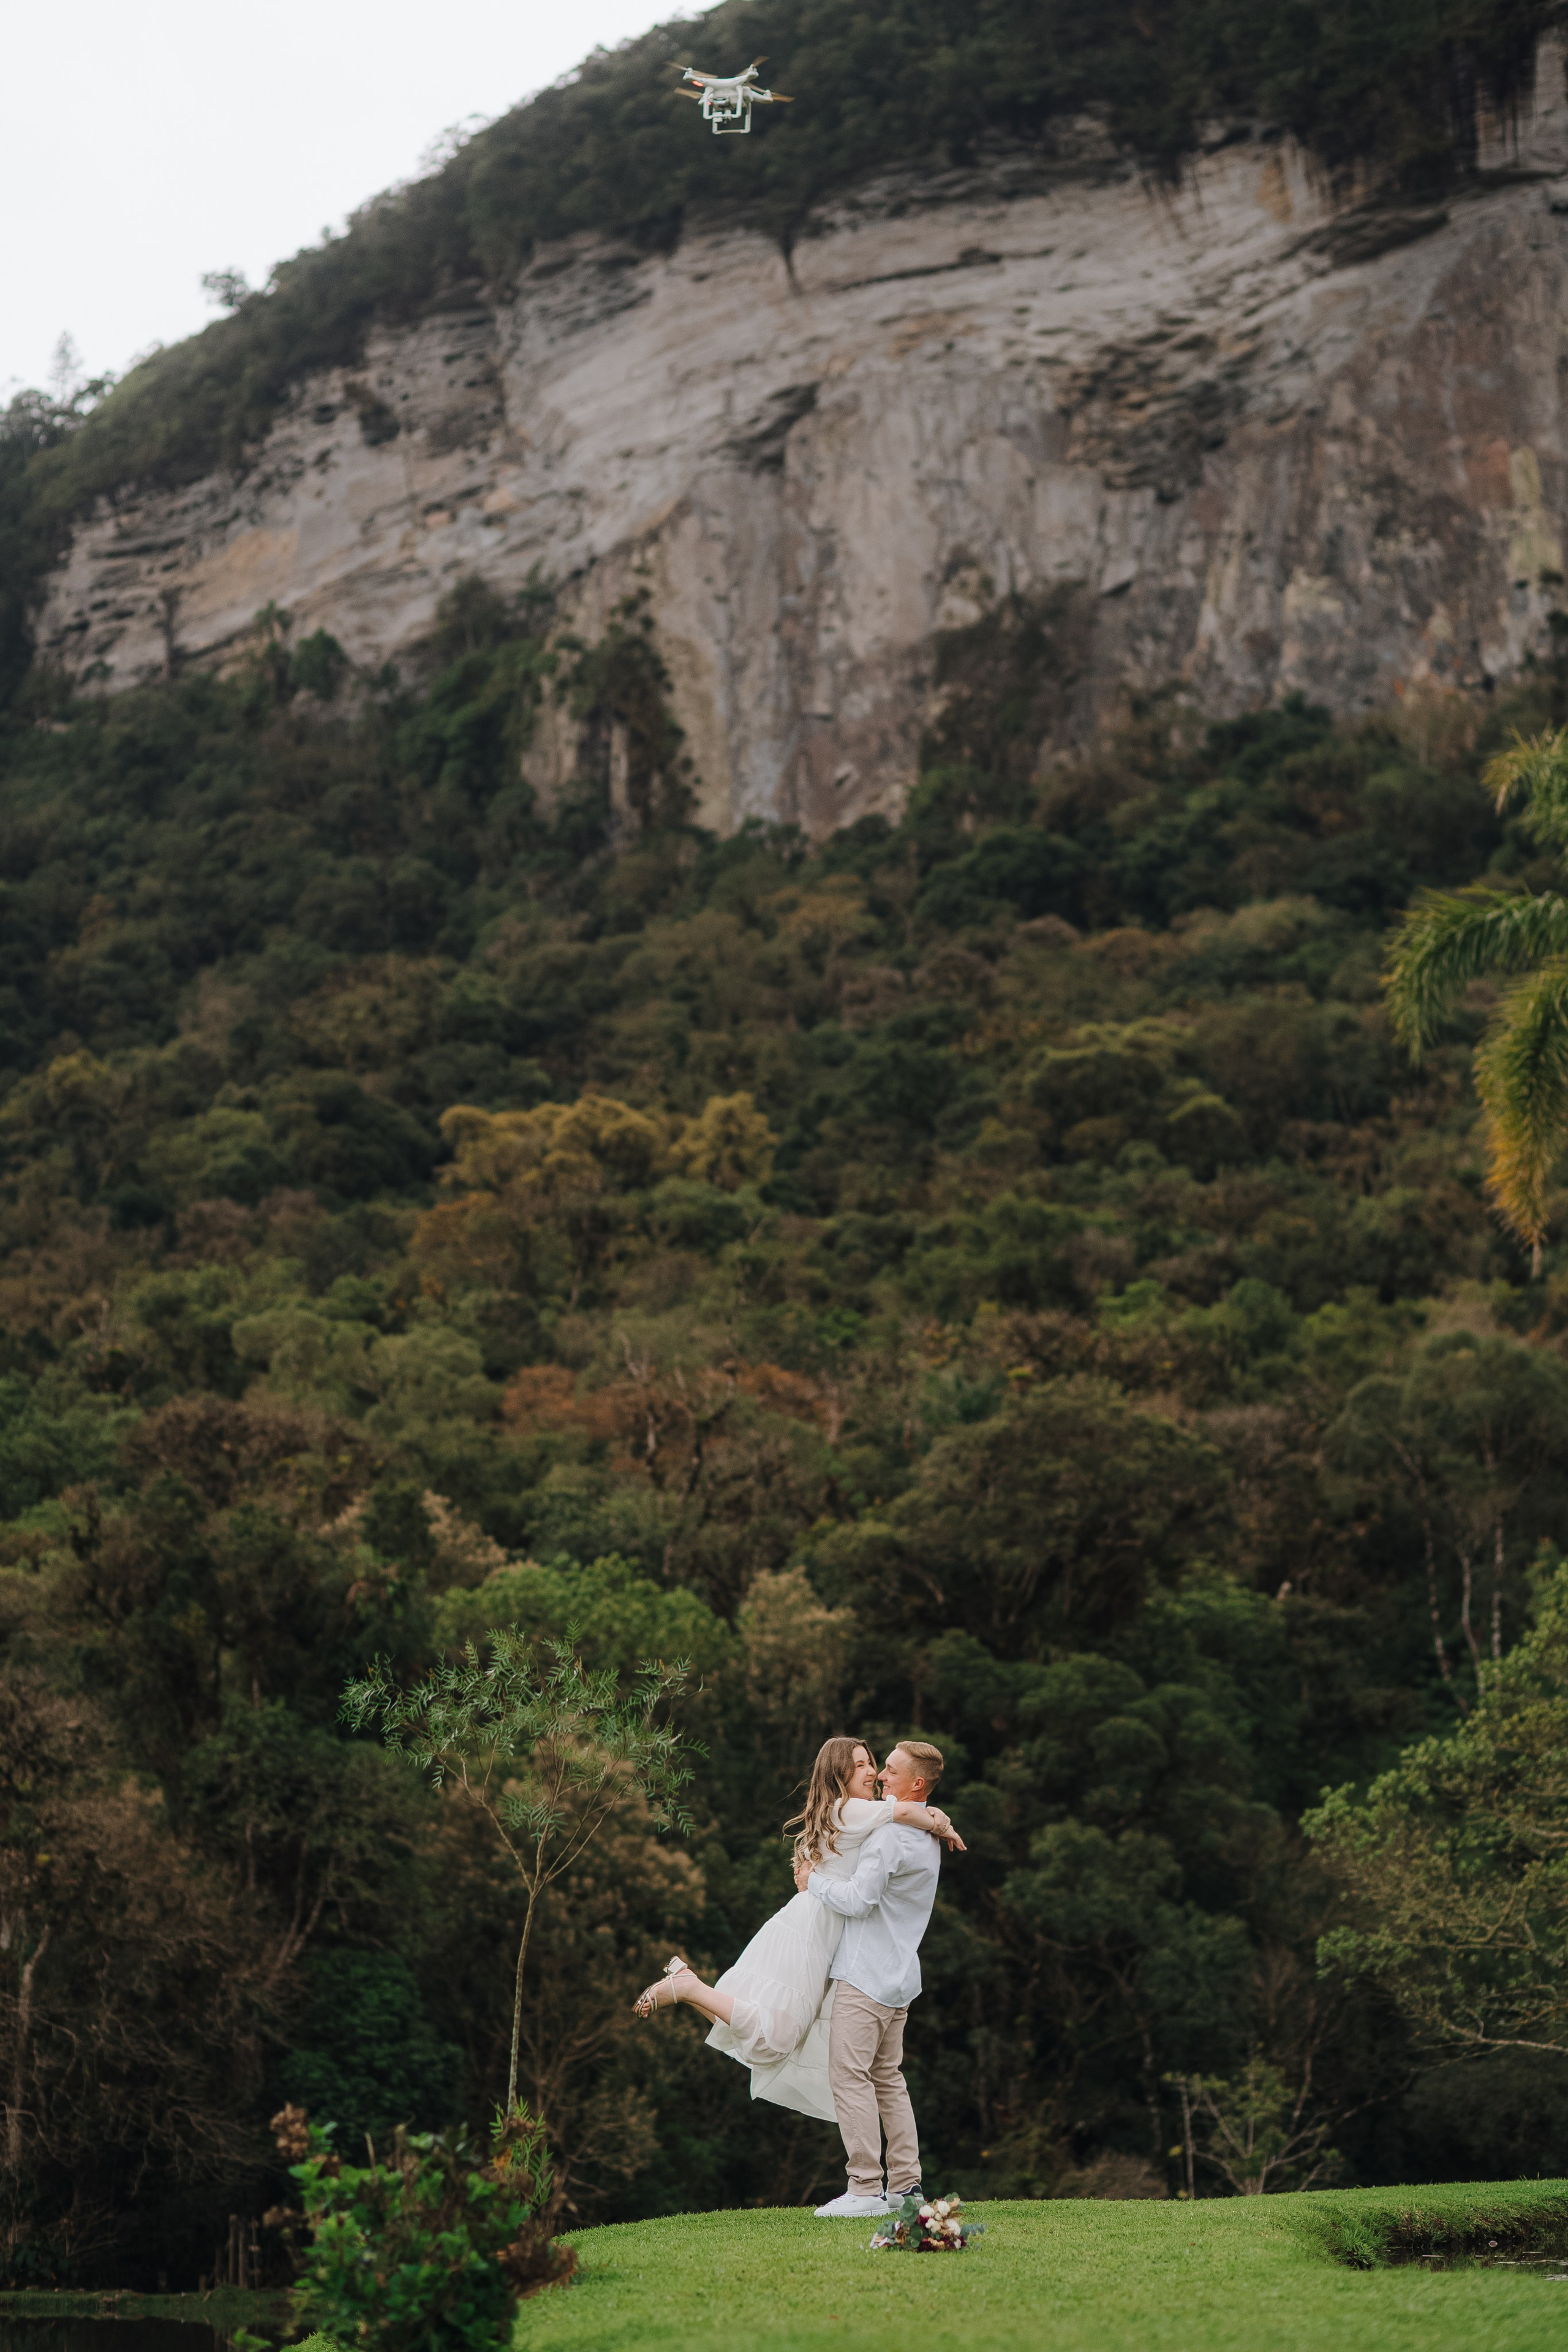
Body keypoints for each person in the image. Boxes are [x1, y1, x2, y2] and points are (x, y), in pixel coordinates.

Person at [631, 1736, 962, 2150]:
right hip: (812, 1931)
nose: (873, 1772)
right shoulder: (850, 1809)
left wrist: (932, 1816)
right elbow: (912, 1809)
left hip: (821, 1933)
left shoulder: (855, 1813)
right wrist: (942, 1825)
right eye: (861, 1765)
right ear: (839, 1774)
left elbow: (912, 1809)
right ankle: (691, 1988)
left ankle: (689, 1986)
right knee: (778, 2038)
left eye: (872, 1763)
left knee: (777, 2034)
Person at [793, 1738, 947, 2217]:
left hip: (865, 1975)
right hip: (900, 1977)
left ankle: (864, 2189)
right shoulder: (926, 1836)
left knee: (850, 2076)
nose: (880, 1776)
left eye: (891, 1771)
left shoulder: (889, 1835)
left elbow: (860, 1900)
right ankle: (906, 2187)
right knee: (888, 2078)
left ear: (916, 1784)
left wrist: (811, 1882)